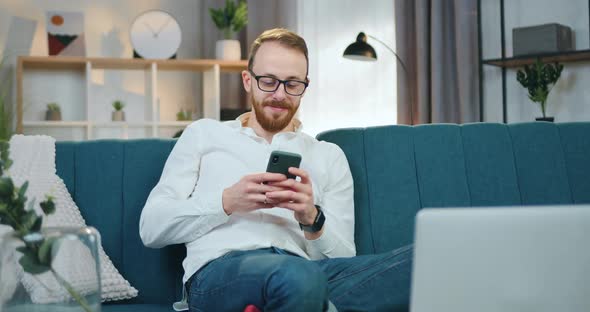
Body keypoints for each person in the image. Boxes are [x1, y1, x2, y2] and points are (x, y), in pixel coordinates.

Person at [139, 28, 412, 312]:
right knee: (296, 276)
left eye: (292, 84)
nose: (280, 95)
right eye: (268, 81)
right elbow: (152, 227)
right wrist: (226, 202)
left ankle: (302, 304)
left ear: (305, 86)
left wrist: (311, 218)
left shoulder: (328, 156)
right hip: (222, 273)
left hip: (308, 274)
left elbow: (344, 258)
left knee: (430, 261)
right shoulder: (204, 134)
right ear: (248, 80)